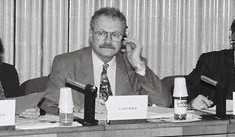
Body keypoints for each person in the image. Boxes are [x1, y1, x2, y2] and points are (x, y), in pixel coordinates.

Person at [40, 7, 171, 115]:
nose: (108, 41)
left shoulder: (131, 64)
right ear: (91, 35)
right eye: (101, 34)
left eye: (115, 35)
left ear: (124, 38)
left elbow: (164, 103)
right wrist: (76, 109)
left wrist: (139, 66)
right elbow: (48, 107)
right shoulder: (65, 64)